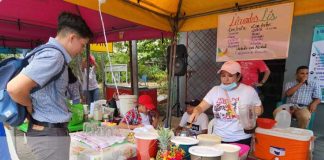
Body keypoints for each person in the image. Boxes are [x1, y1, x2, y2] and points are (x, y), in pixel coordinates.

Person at [6, 12, 93, 160]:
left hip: (46, 133)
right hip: (49, 136)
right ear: (72, 38)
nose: (80, 51)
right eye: (82, 45)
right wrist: (28, 105)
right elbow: (14, 88)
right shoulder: (54, 56)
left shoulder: (44, 51)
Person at [189, 61, 263, 146]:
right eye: (223, 75)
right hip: (217, 139)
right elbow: (201, 107)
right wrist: (196, 111)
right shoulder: (215, 90)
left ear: (238, 77)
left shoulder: (249, 91)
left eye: (230, 75)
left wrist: (258, 110)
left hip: (240, 139)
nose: (226, 79)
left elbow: (260, 108)